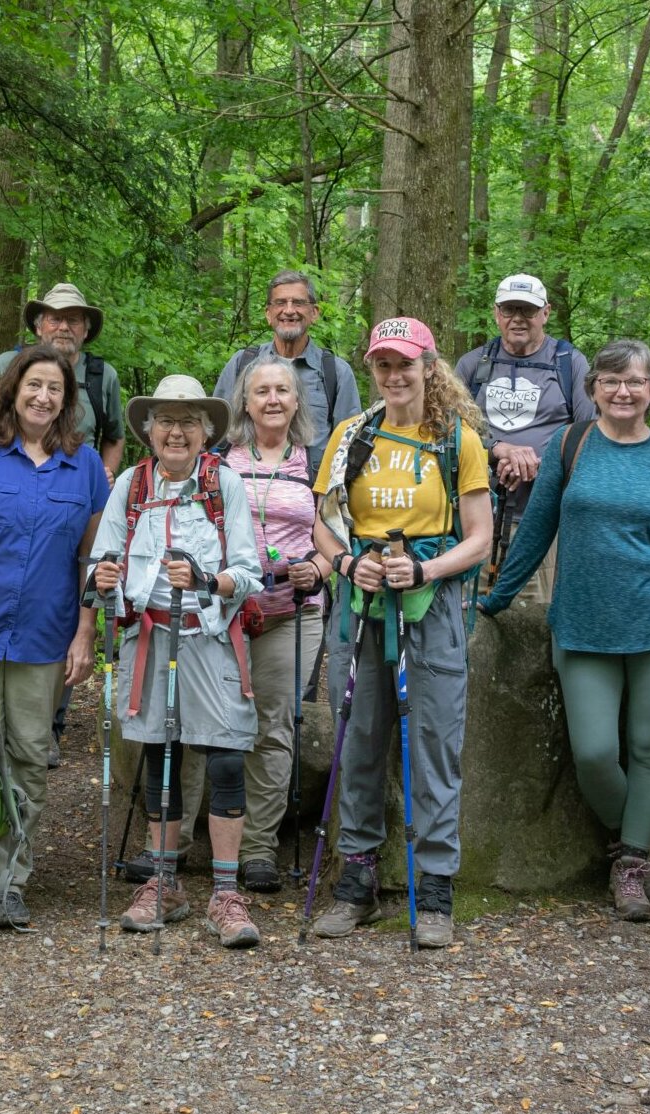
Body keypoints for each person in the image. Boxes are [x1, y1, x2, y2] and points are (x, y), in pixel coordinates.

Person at [479, 339, 650, 922]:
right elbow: (537, 528)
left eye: (634, 381)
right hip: (582, 626)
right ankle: (638, 834)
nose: (622, 391)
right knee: (595, 753)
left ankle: (631, 863)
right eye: (610, 381)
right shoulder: (570, 445)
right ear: (594, 389)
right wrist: (497, 599)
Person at [308, 317, 492, 949]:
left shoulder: (458, 440)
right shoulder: (351, 435)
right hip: (360, 605)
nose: (394, 375)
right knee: (358, 738)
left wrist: (425, 569)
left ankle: (435, 887)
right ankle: (356, 880)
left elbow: (480, 537)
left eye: (405, 363)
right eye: (383, 364)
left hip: (431, 607)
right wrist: (344, 562)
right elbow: (322, 523)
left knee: (435, 744)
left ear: (428, 367)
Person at [0, 344, 108, 931]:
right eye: (34, 385)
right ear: (13, 390)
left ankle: (8, 881)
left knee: (29, 756)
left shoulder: (85, 466)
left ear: (67, 400)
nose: (43, 397)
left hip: (45, 634)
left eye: (55, 388)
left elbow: (93, 559)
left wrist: (85, 634)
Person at [89, 375, 267, 947]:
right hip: (150, 638)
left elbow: (250, 572)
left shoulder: (224, 484)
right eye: (166, 420)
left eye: (188, 422)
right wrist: (104, 576)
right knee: (159, 759)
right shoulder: (131, 485)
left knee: (225, 759)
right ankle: (164, 884)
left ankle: (225, 894)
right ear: (149, 431)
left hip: (209, 637)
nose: (176, 432)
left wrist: (207, 579)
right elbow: (98, 567)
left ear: (205, 432)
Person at [217, 358, 326, 893]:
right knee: (214, 724)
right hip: (225, 613)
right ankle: (195, 842)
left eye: (283, 389)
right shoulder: (220, 459)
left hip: (292, 612)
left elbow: (336, 539)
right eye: (262, 391)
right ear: (245, 401)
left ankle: (259, 848)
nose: (273, 399)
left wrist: (318, 569)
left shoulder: (317, 462)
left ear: (297, 400)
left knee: (273, 727)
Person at [454, 273, 592, 606]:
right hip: (475, 520)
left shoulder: (569, 364)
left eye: (527, 310)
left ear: (546, 313)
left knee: (532, 616)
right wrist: (497, 449)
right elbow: (447, 430)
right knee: (468, 614)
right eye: (509, 309)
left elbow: (589, 436)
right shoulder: (472, 365)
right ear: (496, 313)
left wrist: (539, 464)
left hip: (542, 521)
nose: (518, 318)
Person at [0, 283, 126, 473]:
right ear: (39, 327)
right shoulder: (6, 366)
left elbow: (114, 437)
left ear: (85, 330)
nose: (64, 327)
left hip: (77, 484)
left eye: (73, 320)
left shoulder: (103, 376)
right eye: (55, 319)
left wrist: (104, 476)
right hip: (7, 480)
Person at [213, 270, 361, 463]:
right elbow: (215, 434)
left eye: (298, 303)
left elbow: (349, 445)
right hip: (246, 479)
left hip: (314, 481)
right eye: (280, 303)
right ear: (268, 314)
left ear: (314, 313)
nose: (289, 310)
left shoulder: (336, 372)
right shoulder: (243, 364)